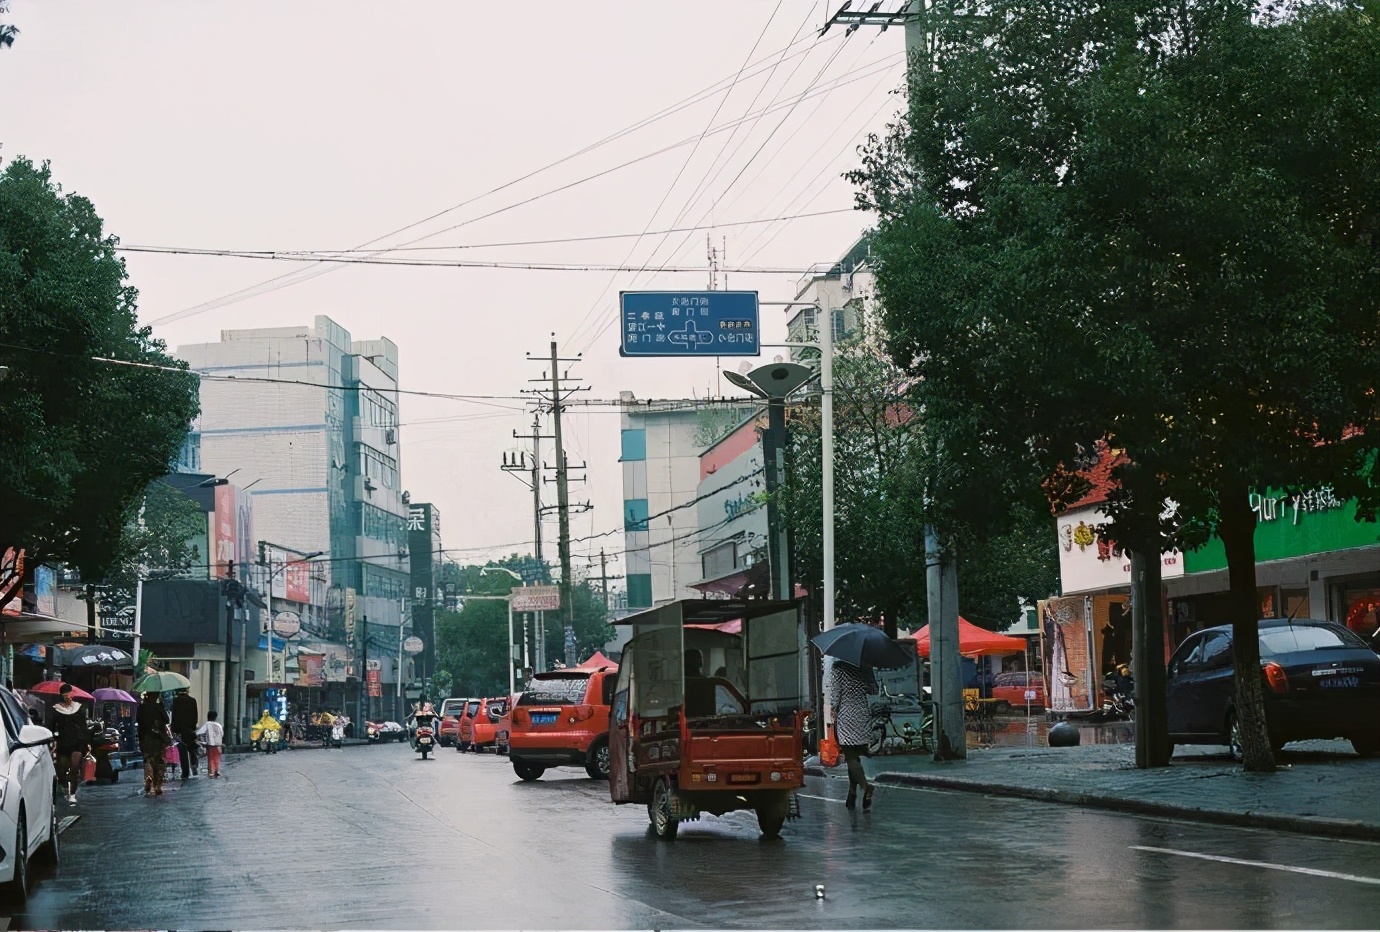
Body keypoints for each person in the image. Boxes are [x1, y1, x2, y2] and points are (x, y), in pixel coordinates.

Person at [831, 660, 877, 811]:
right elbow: (873, 689)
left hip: (846, 712)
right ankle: (851, 795)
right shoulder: (865, 666)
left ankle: (866, 786)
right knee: (855, 755)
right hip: (862, 712)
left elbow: (836, 693)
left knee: (850, 755)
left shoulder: (839, 668)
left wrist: (833, 709)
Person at [48, 683, 89, 805]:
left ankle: (72, 793)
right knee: (61, 769)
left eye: (69, 695)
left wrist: (87, 743)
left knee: (74, 767)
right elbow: (51, 727)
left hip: (77, 742)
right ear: (61, 696)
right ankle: (65, 787)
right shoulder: (56, 709)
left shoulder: (79, 708)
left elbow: (84, 727)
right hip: (63, 742)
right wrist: (52, 739)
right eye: (65, 695)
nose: (68, 697)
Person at [137, 691, 171, 796]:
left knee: (148, 759)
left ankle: (149, 777)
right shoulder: (158, 707)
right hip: (158, 738)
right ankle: (158, 785)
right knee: (158, 760)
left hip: (145, 737)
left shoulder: (141, 707)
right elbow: (167, 719)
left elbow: (139, 721)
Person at [171, 687, 199, 779]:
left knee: (182, 751)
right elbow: (195, 715)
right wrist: (193, 727)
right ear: (187, 690)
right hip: (189, 729)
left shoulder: (176, 701)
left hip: (180, 730)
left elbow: (174, 716)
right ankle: (194, 764)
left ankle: (185, 771)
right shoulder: (192, 700)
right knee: (192, 748)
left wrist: (174, 730)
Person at [196, 710, 224, 778]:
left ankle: (211, 772)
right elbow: (222, 734)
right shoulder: (218, 725)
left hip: (210, 744)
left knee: (210, 758)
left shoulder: (207, 724)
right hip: (218, 744)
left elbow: (199, 732)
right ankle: (217, 770)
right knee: (217, 758)